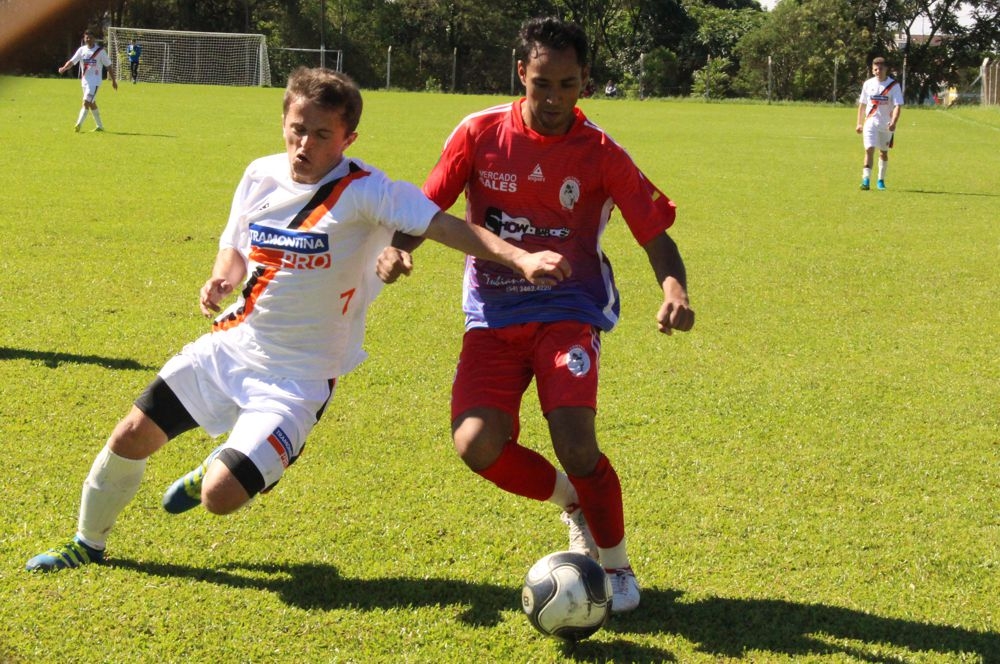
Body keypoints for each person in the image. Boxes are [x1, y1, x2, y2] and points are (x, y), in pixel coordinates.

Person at [25, 67, 569, 573]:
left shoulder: (368, 191)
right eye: (296, 130)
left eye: (320, 135)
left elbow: (445, 226)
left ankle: (239, 459)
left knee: (218, 496)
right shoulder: (260, 175)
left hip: (300, 377)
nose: (303, 145)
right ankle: (86, 544)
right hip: (233, 344)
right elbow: (236, 248)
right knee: (130, 434)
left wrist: (520, 258)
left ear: (347, 138)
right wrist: (221, 278)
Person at [375, 17, 694, 613]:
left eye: (567, 85)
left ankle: (617, 565)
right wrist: (396, 248)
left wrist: (673, 289)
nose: (553, 100)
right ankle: (574, 501)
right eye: (542, 83)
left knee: (576, 440)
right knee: (476, 444)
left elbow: (655, 235)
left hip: (569, 309)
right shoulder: (478, 133)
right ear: (521, 73)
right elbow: (427, 207)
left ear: (585, 83)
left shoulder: (601, 151)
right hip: (493, 311)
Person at [856, 56, 903, 191]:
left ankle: (880, 180)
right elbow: (862, 105)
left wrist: (893, 122)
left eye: (880, 69)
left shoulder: (894, 86)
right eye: (875, 69)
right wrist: (859, 123)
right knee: (869, 149)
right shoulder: (868, 84)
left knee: (883, 152)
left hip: (886, 124)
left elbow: (897, 106)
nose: (878, 71)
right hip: (870, 122)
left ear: (886, 69)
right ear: (872, 70)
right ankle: (865, 180)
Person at [58, 28, 117, 132]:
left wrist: (113, 80)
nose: (88, 39)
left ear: (94, 39)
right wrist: (64, 68)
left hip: (95, 82)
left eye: (90, 37)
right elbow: (72, 61)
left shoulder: (100, 51)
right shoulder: (82, 50)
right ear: (84, 38)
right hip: (84, 82)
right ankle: (100, 126)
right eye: (87, 37)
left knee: (86, 102)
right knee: (91, 103)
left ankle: (78, 124)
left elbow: (108, 66)